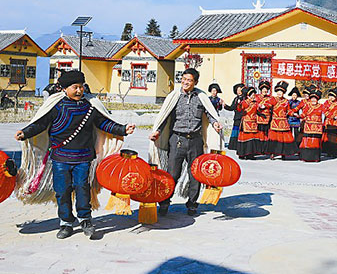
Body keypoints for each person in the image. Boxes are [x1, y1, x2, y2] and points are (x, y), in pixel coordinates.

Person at [15, 70, 135, 239]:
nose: (79, 90)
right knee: (62, 190)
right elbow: (40, 124)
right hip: (60, 157)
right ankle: (66, 223)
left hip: (83, 157)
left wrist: (123, 129)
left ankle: (85, 219)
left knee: (82, 188)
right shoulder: (55, 106)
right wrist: (25, 133)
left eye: (81, 87)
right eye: (75, 87)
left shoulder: (90, 106)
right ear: (64, 88)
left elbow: (104, 124)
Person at [148, 68, 223, 216]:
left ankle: (192, 204)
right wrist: (157, 131)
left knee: (195, 174)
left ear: (195, 82)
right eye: (183, 79)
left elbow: (209, 113)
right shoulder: (174, 96)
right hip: (177, 139)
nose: (185, 82)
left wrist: (215, 123)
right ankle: (164, 202)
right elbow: (165, 116)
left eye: (189, 80)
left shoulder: (201, 97)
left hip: (195, 140)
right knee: (172, 174)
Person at [262, 81, 298, 159]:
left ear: (283, 93)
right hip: (275, 121)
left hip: (283, 122)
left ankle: (283, 153)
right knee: (274, 138)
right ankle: (273, 153)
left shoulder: (286, 101)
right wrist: (263, 106)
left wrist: (293, 114)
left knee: (284, 139)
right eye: (278, 91)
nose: (279, 93)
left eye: (281, 92)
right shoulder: (273, 99)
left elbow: (288, 110)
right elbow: (268, 104)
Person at [291, 89, 325, 162]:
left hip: (317, 128)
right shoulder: (307, 105)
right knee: (307, 142)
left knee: (316, 142)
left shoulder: (321, 106)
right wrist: (298, 115)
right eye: (312, 98)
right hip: (308, 127)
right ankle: (306, 157)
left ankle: (315, 157)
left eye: (315, 98)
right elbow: (304, 114)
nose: (313, 100)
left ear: (317, 99)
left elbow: (327, 113)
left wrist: (336, 117)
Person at [236, 87, 260, 159]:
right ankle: (243, 154)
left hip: (253, 123)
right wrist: (239, 105)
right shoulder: (245, 102)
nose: (253, 96)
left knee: (252, 139)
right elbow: (240, 109)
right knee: (245, 138)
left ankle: (250, 154)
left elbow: (258, 110)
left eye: (254, 94)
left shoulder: (255, 103)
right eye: (252, 94)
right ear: (248, 95)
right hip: (246, 122)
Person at [322, 87, 337, 158]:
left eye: (333, 96)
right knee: (328, 137)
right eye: (330, 96)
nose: (331, 98)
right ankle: (328, 151)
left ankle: (335, 151)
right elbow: (325, 111)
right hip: (328, 122)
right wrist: (332, 116)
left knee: (335, 137)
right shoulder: (326, 102)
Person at [224, 83, 245, 151]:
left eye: (240, 90)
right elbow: (232, 107)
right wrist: (225, 106)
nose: (239, 91)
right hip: (237, 117)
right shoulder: (236, 99)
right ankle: (234, 145)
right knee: (235, 132)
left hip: (243, 117)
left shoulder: (245, 98)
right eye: (237, 90)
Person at [255, 80, 272, 155]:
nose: (265, 90)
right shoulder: (256, 97)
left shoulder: (270, 98)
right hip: (258, 118)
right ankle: (259, 149)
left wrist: (266, 105)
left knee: (266, 134)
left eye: (266, 89)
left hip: (267, 118)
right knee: (259, 133)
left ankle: (265, 149)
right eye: (263, 89)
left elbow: (271, 105)